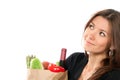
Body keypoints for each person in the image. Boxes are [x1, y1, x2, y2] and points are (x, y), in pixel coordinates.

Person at [64, 9, 120, 80]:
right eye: (91, 26)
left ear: (113, 44)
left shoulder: (114, 76)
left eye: (102, 33)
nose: (90, 36)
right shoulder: (75, 59)